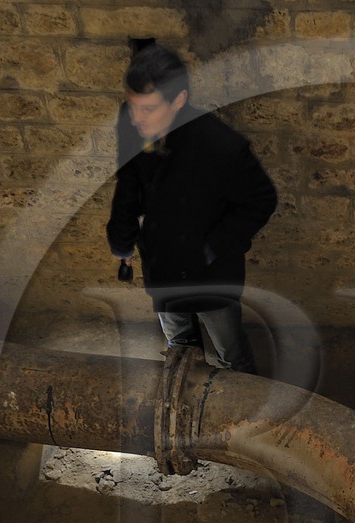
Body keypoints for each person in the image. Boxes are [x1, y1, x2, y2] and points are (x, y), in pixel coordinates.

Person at [106, 43, 278, 373]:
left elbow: (262, 199)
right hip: (163, 268)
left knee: (231, 354)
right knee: (179, 350)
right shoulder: (131, 122)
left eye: (149, 109)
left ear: (179, 101)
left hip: (210, 276)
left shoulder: (219, 145)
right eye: (132, 107)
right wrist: (122, 239)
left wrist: (211, 248)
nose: (136, 118)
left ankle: (243, 407)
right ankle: (184, 402)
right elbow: (127, 182)